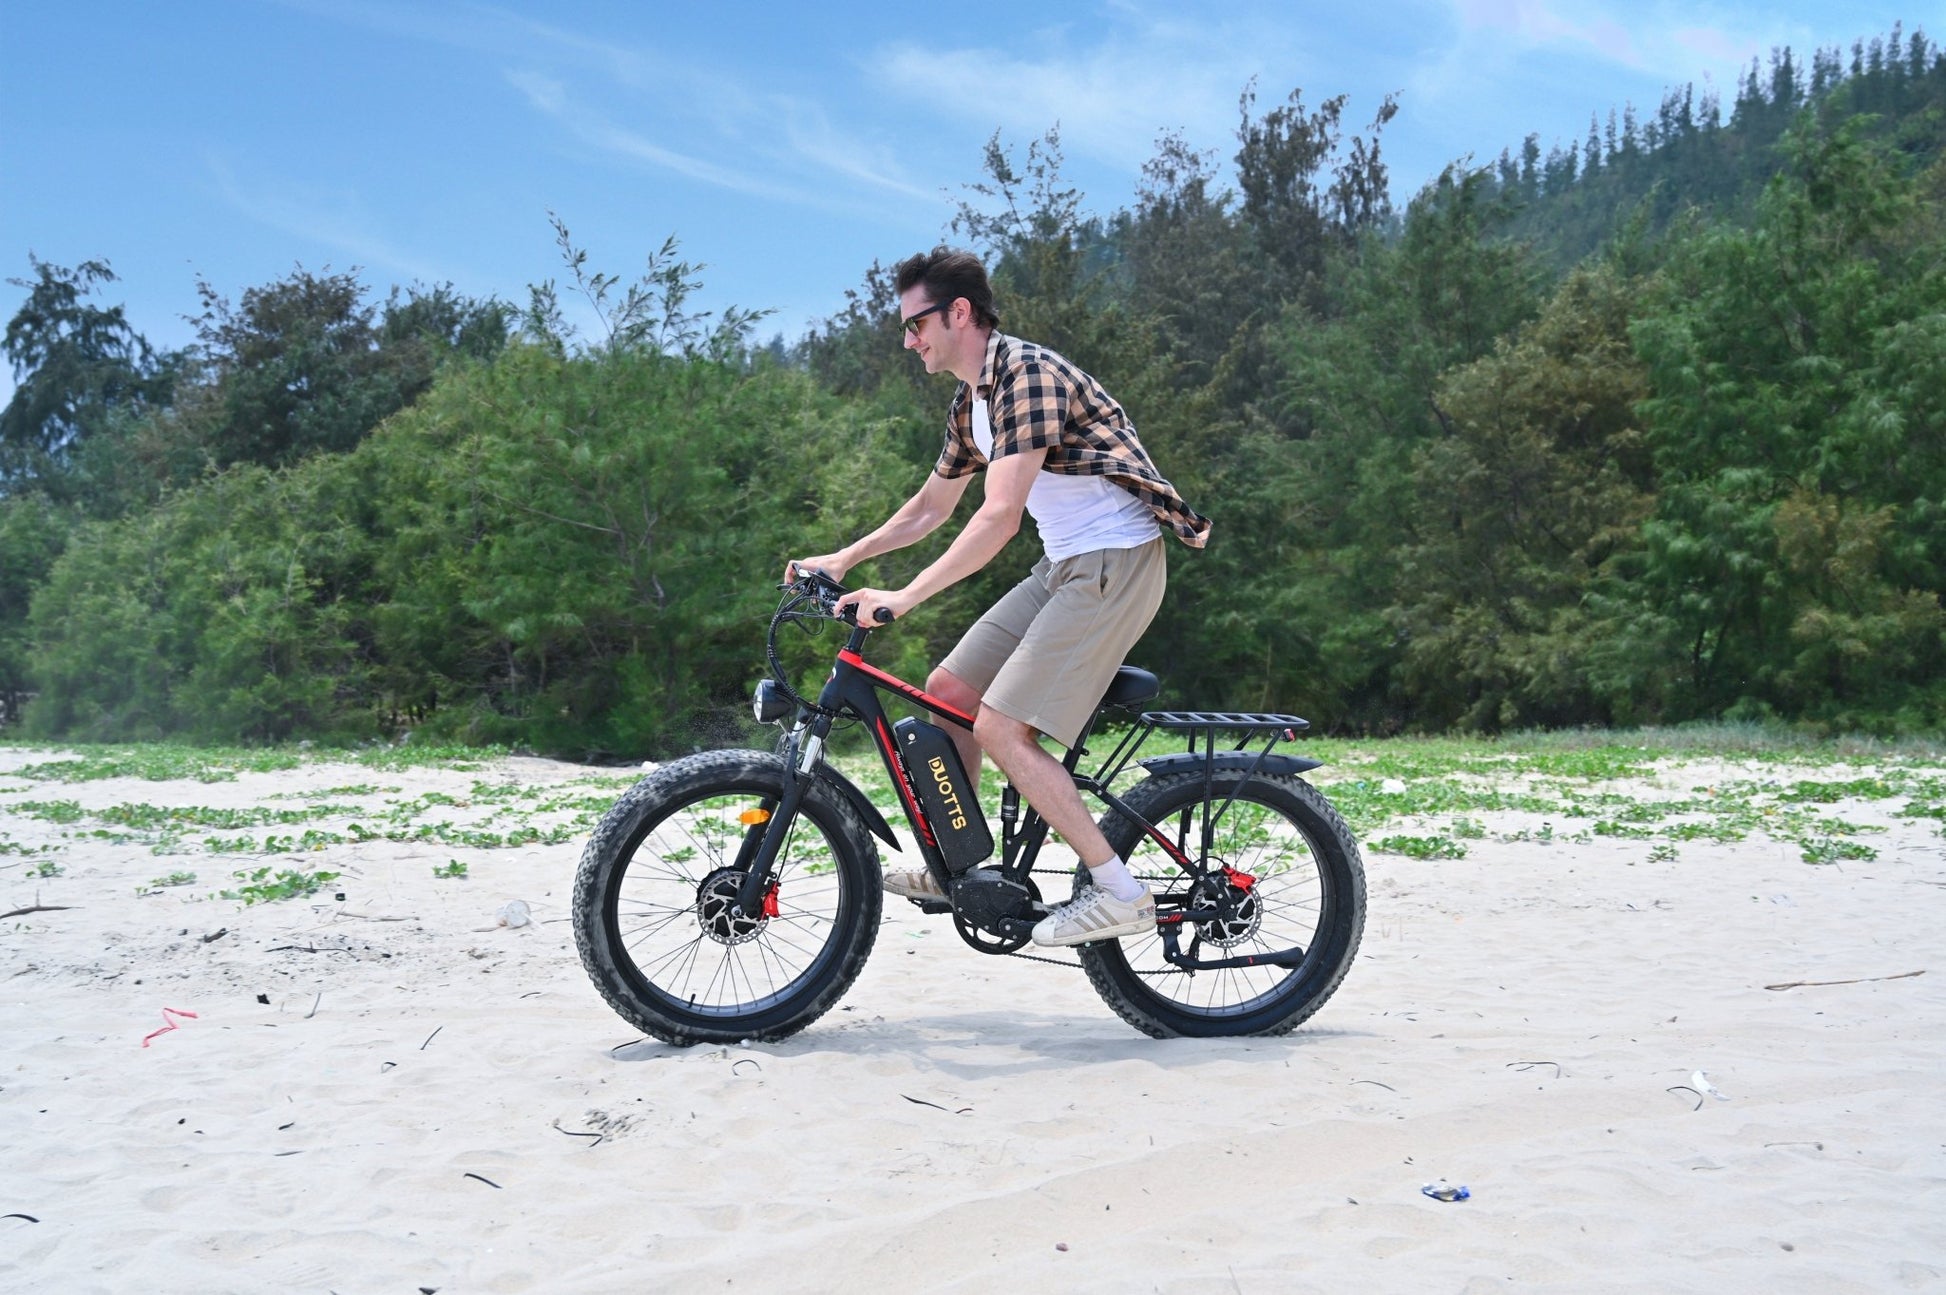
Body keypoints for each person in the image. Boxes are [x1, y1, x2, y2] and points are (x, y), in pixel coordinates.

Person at [788, 248, 1209, 947]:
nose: (908, 340)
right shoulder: (973, 401)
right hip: (1066, 562)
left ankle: (1119, 890)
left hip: (1115, 561)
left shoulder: (1028, 376)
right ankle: (967, 866)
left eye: (916, 323)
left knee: (1002, 727)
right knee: (950, 688)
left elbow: (998, 514)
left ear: (959, 313)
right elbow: (931, 506)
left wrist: (907, 594)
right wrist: (846, 556)